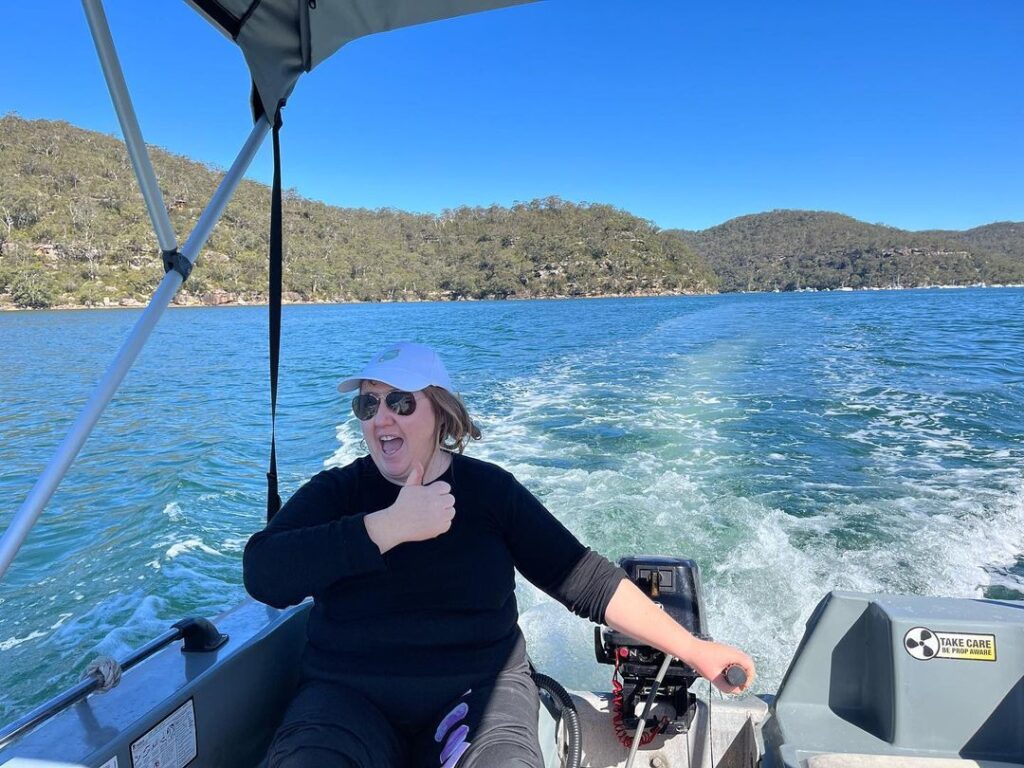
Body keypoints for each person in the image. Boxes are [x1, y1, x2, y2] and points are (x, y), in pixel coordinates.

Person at [244, 341, 755, 768]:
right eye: (368, 404)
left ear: (440, 411)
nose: (381, 418)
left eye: (400, 402)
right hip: (347, 698)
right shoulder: (337, 493)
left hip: (477, 693)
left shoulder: (490, 493)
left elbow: (585, 580)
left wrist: (694, 650)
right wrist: (387, 527)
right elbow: (265, 572)